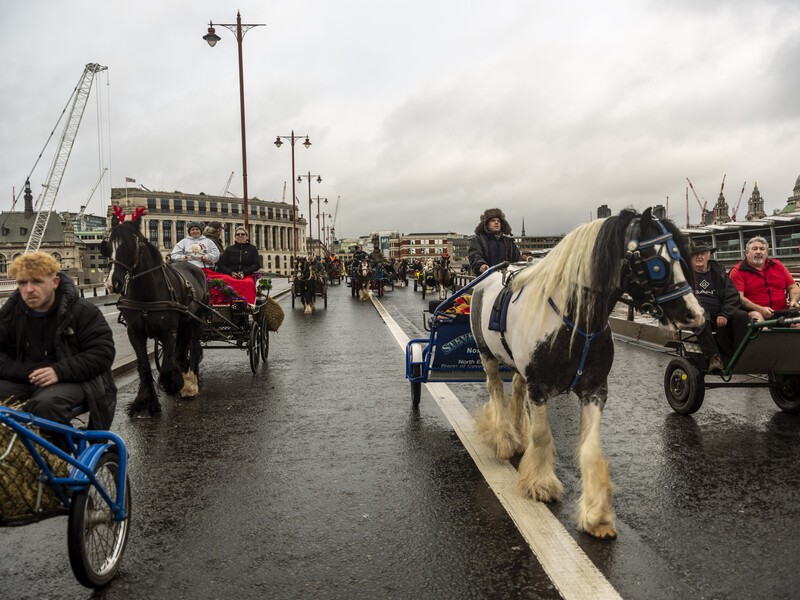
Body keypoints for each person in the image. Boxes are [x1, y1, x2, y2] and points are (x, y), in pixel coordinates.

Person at [0, 252, 116, 429]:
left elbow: (102, 353)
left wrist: (58, 371)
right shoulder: (10, 313)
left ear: (55, 282)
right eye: (22, 282)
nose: (29, 289)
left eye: (37, 281)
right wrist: (22, 371)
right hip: (24, 378)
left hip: (74, 379)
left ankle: (54, 454)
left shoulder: (83, 311)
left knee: (46, 406)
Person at [689, 243, 750, 372]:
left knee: (742, 316)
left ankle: (739, 353)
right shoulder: (685, 275)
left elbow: (733, 296)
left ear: (709, 255)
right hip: (696, 313)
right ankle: (713, 357)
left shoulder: (719, 272)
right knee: (700, 317)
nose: (699, 256)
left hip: (719, 312)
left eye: (703, 253)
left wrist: (725, 314)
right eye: (696, 254)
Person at [729, 236, 800, 322]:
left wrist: (793, 301)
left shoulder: (777, 265)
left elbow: (793, 287)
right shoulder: (737, 271)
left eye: (762, 249)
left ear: (767, 252)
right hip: (754, 312)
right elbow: (738, 297)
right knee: (757, 316)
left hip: (782, 312)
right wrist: (760, 309)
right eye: (754, 249)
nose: (758, 252)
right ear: (746, 252)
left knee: (797, 323)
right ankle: (765, 335)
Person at [468, 208, 522, 275]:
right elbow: (475, 255)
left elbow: (517, 259)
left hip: (506, 278)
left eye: (498, 221)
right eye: (492, 220)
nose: (496, 222)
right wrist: (481, 265)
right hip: (486, 278)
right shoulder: (478, 240)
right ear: (486, 224)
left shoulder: (509, 242)